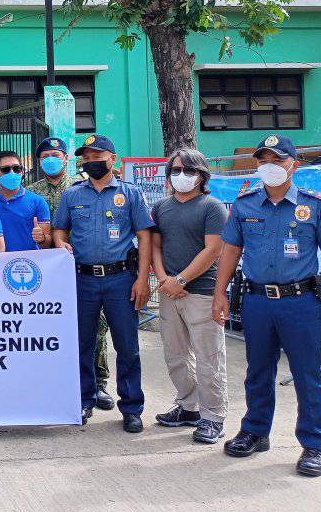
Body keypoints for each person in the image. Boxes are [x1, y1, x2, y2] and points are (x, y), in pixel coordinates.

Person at [213, 135, 321, 477]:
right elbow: (230, 251)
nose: (269, 166)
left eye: (277, 160)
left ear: (293, 165)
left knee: (307, 374)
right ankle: (255, 431)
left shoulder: (316, 204)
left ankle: (314, 443)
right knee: (257, 371)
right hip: (256, 301)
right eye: (263, 160)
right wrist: (219, 293)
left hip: (301, 302)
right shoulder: (245, 204)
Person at [53, 134, 153, 432]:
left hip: (121, 278)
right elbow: (60, 230)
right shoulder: (73, 195)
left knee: (127, 345)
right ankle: (85, 398)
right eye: (86, 157)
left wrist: (143, 279)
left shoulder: (130, 194)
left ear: (113, 159)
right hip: (82, 279)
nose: (91, 161)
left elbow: (145, 235)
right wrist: (60, 243)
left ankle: (132, 407)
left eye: (98, 156)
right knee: (82, 343)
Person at [29, 136, 115, 411]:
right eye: (44, 156)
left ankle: (98, 382)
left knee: (95, 327)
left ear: (66, 158)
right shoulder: (32, 191)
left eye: (55, 154)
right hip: (45, 271)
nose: (50, 160)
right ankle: (57, 380)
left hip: (83, 267)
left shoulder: (82, 187)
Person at [150, 149, 228, 444]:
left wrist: (180, 279)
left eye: (188, 170)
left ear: (201, 175)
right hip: (170, 293)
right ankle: (188, 407)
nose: (181, 175)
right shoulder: (160, 208)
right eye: (175, 169)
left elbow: (212, 250)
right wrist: (163, 280)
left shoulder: (212, 207)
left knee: (209, 359)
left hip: (202, 293)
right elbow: (155, 247)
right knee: (175, 356)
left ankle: (213, 417)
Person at [0, 150, 51, 252]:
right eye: (6, 169)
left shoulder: (38, 202)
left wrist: (42, 238)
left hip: (26, 264)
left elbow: (47, 244)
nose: (12, 172)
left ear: (22, 172)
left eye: (17, 168)